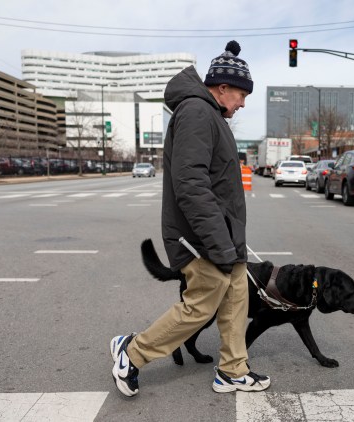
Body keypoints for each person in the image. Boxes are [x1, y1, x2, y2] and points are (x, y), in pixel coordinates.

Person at [110, 40, 270, 397]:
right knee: (201, 305)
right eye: (242, 94)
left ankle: (232, 371)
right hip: (201, 238)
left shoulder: (210, 114)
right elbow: (191, 185)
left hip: (225, 236)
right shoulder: (197, 112)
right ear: (223, 87)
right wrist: (219, 244)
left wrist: (231, 242)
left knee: (235, 299)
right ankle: (132, 353)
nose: (243, 103)